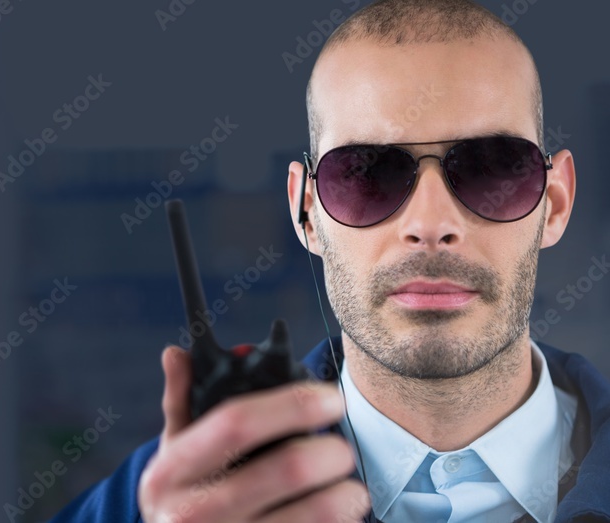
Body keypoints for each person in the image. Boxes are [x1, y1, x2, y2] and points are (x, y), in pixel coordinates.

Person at [50, 1, 610, 521]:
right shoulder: (162, 503)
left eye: (492, 168)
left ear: (554, 203)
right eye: (366, 174)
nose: (430, 225)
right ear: (306, 212)